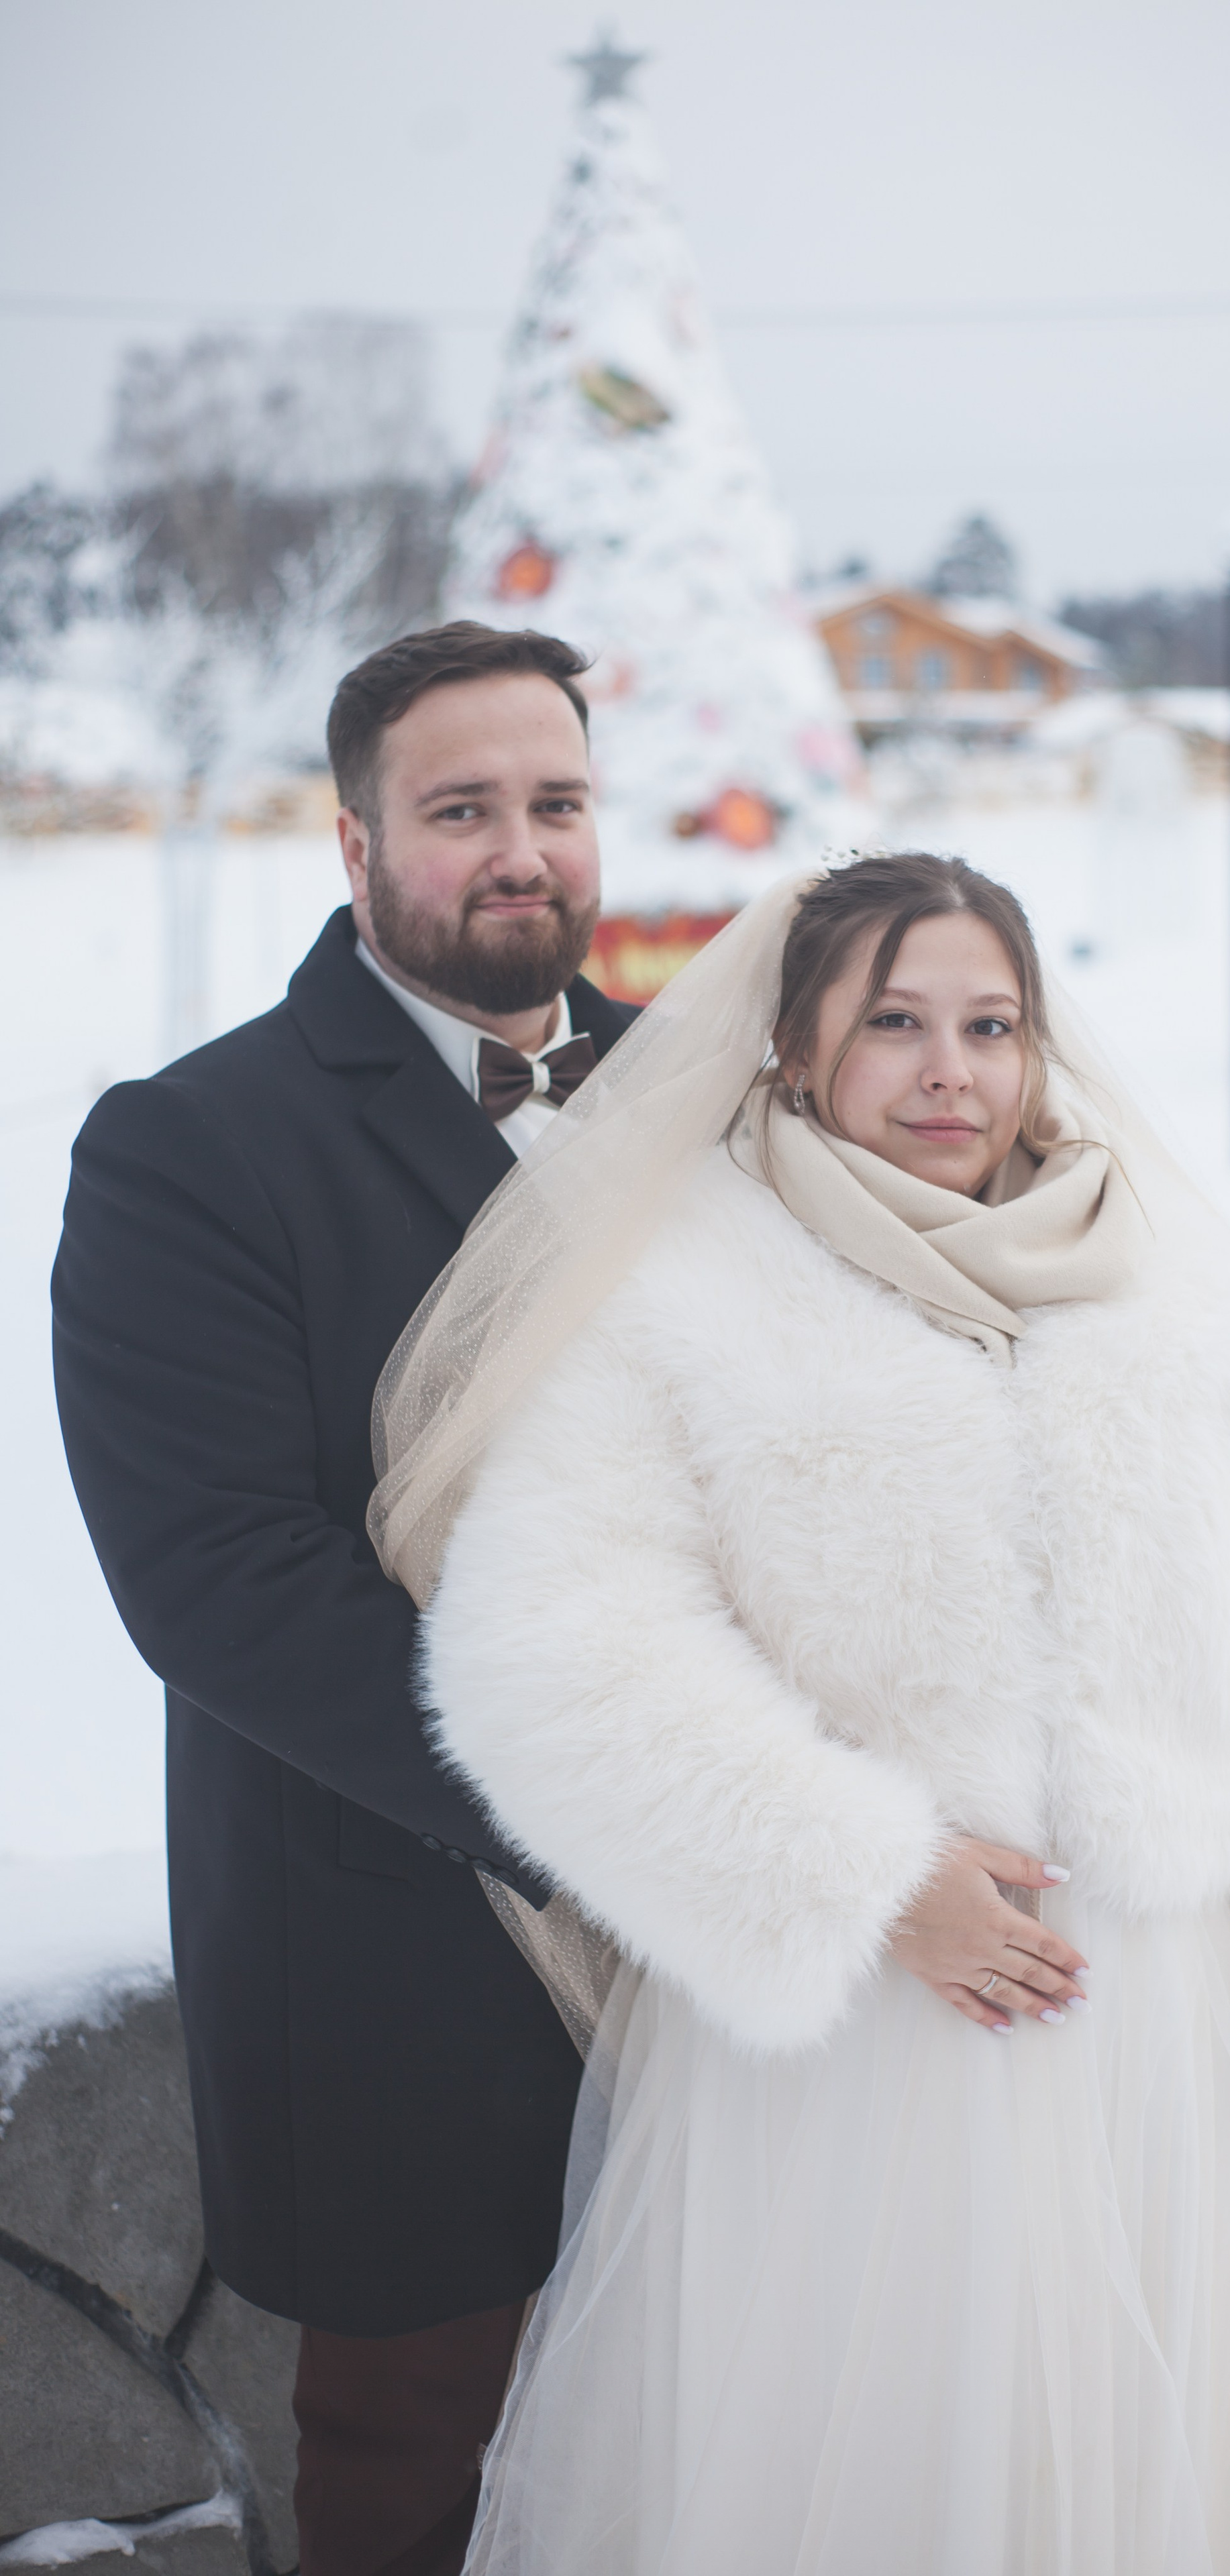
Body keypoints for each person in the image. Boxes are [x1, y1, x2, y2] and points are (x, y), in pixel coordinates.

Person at [369, 852, 1230, 2576]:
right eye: (891, 1023)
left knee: (1161, 2482)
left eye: (990, 1024)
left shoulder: (1163, 1285)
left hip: (1166, 2037)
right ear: (792, 1050)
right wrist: (872, 1880)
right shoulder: (684, 1291)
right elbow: (555, 1647)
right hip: (864, 2060)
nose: (949, 1070)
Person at [51, 622, 639, 2576]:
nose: (520, 852)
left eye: (555, 804)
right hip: (395, 1938)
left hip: (742, 1937)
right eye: (461, 810)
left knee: (714, 2415)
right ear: (357, 843)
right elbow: (221, 1584)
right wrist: (618, 1807)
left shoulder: (716, 1102)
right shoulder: (192, 1146)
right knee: (417, 2475)